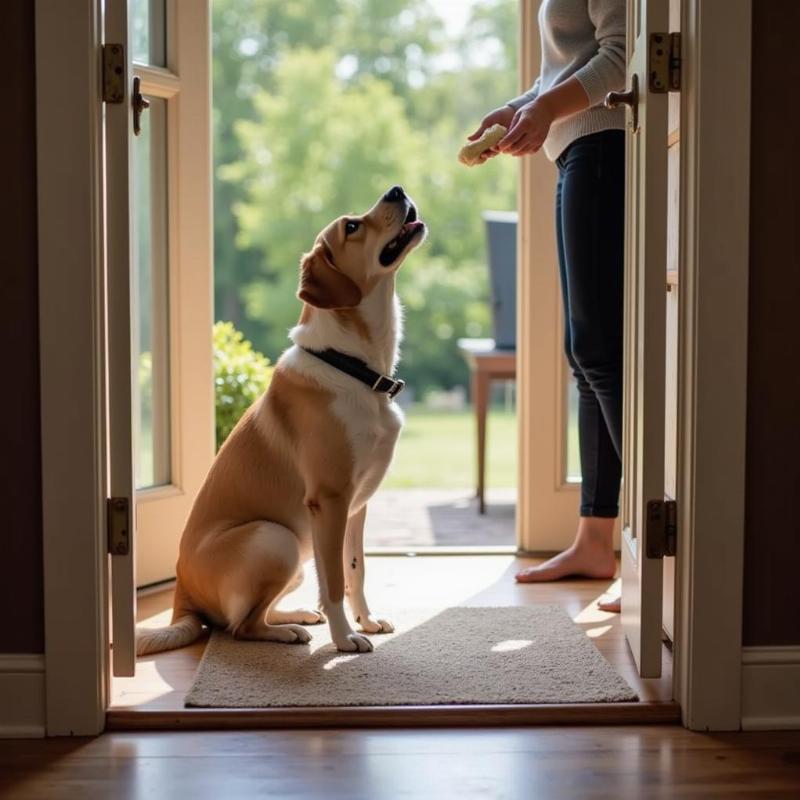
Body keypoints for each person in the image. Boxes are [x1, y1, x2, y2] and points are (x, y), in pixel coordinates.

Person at [469, 0, 626, 611]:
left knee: (600, 349)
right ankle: (595, 539)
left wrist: (544, 109)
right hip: (577, 152)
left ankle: (641, 544)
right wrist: (523, 107)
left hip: (605, 148)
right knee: (585, 354)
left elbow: (621, 57)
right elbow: (572, 62)